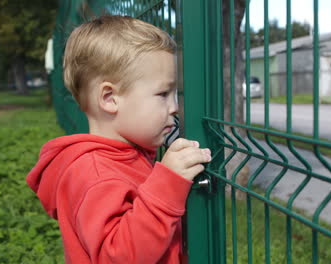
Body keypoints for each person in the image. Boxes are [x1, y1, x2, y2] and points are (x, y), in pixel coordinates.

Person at [26, 15, 211, 264]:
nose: (175, 107)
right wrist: (167, 185)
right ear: (110, 98)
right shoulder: (95, 174)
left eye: (175, 94)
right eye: (163, 93)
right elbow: (118, 256)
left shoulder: (126, 156)